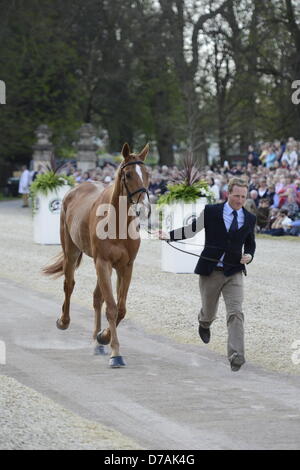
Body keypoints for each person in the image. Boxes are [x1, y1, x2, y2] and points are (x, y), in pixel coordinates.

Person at [159, 177, 256, 372]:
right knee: (209, 311)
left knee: (236, 313)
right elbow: (192, 229)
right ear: (228, 193)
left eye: (243, 197)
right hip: (211, 271)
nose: (239, 200)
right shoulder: (212, 211)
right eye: (236, 195)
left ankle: (236, 355)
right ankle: (204, 323)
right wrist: (169, 235)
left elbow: (250, 243)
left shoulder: (250, 218)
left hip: (234, 271)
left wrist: (249, 255)